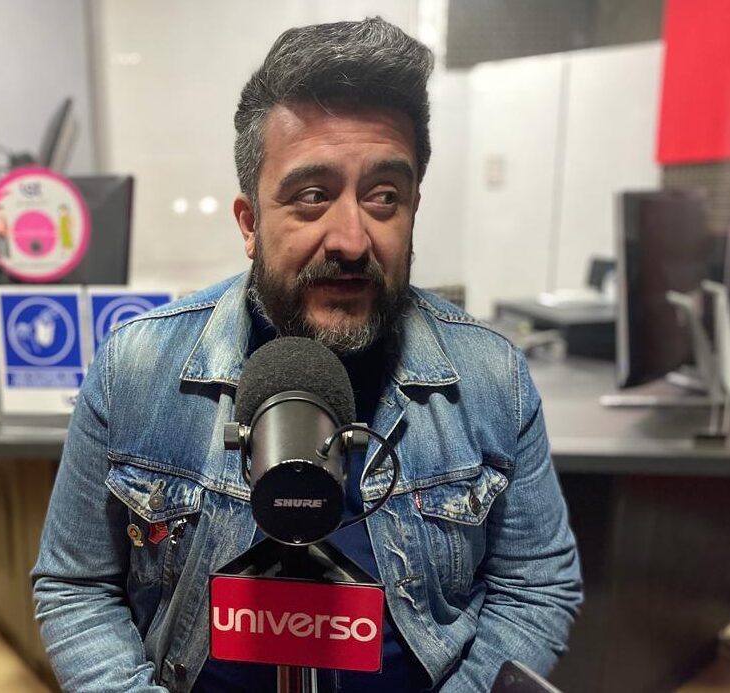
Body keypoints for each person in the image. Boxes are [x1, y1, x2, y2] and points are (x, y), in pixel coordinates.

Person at [32, 17, 582, 693]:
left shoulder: (492, 377)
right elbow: (76, 585)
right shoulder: (135, 368)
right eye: (311, 196)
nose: (351, 237)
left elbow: (536, 585)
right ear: (249, 223)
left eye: (384, 197)